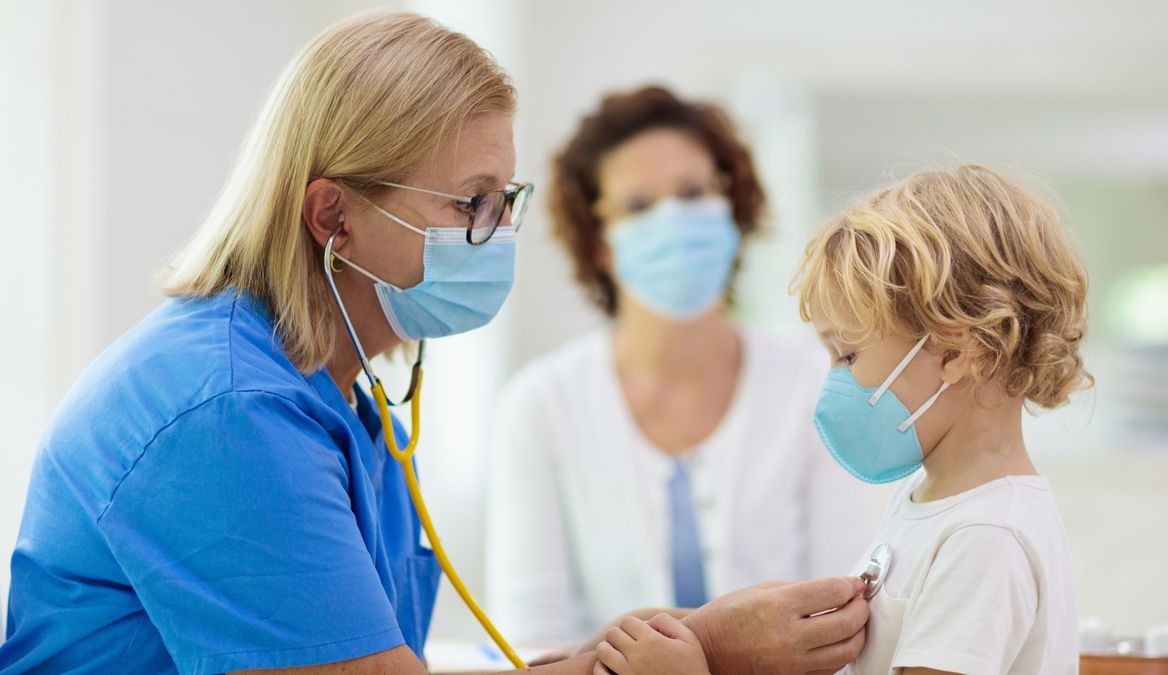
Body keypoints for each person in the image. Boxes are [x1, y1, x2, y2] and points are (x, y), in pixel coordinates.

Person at [0, 12, 869, 675]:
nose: (493, 233)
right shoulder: (228, 412)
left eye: (504, 200)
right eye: (469, 203)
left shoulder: (340, 398)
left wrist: (612, 655)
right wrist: (708, 644)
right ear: (334, 215)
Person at [597, 164, 1088, 674]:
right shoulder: (929, 503)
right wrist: (708, 637)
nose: (831, 380)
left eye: (848, 356)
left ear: (954, 351)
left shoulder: (984, 537)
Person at [485, 85, 879, 645]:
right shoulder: (541, 406)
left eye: (694, 192)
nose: (674, 219)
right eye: (639, 206)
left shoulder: (817, 385)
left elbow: (850, 610)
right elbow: (531, 643)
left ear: (732, 207)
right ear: (599, 243)